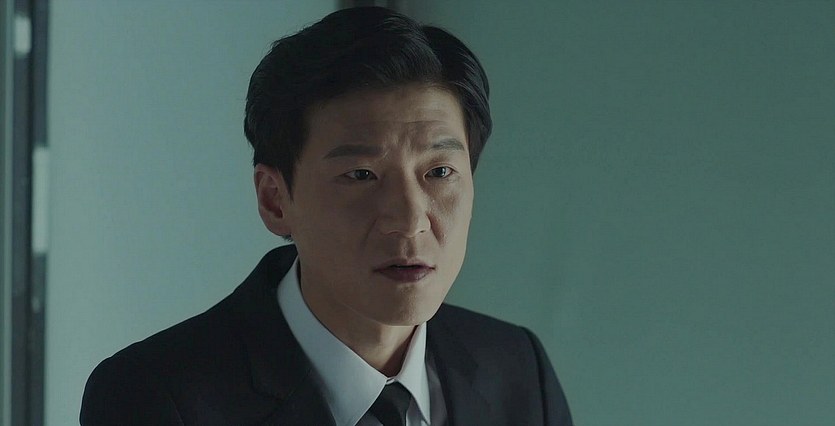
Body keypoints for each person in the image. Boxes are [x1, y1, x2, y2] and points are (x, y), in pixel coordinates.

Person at [80, 6, 572, 426]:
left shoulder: (517, 368)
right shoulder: (154, 396)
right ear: (276, 201)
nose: (409, 220)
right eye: (361, 175)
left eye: (439, 172)